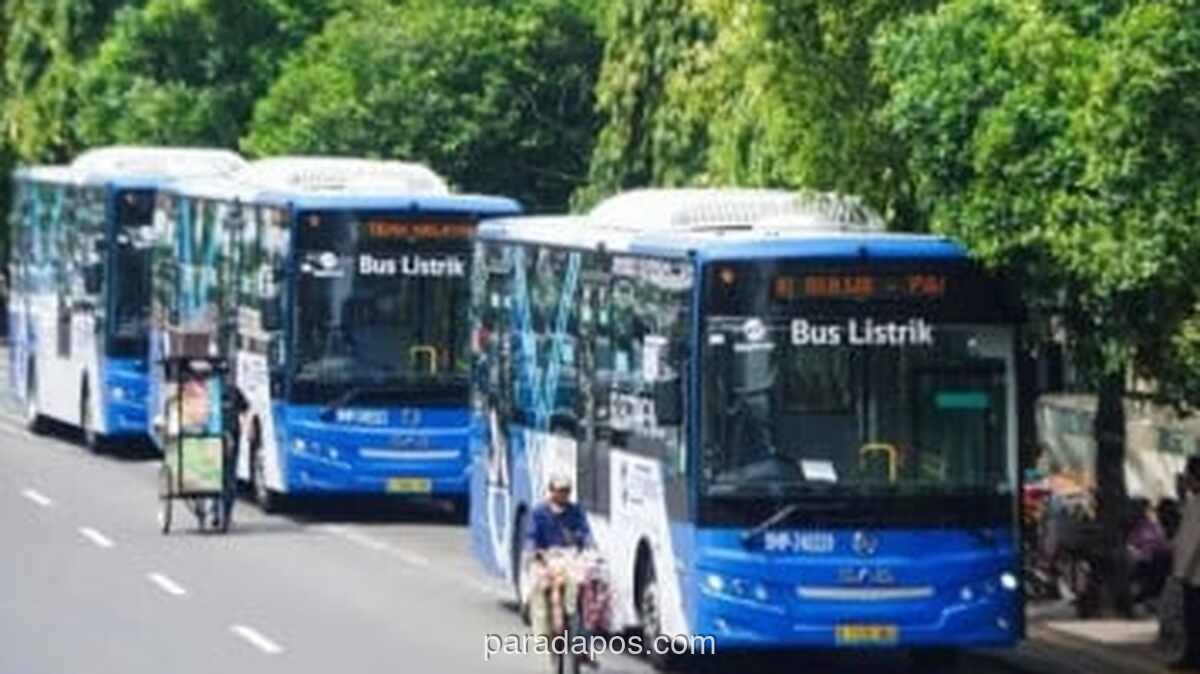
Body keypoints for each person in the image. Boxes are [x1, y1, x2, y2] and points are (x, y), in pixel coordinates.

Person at [526, 475, 598, 667]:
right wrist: (535, 553)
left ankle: (583, 641)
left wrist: (590, 550)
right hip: (547, 559)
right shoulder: (539, 513)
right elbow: (531, 537)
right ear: (551, 491)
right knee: (539, 589)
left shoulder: (576, 512)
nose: (563, 494)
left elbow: (586, 534)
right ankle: (543, 636)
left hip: (571, 560)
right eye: (559, 490)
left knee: (588, 590)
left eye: (566, 490)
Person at [1169, 455, 1200, 666]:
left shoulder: (1197, 503)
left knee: (1193, 617)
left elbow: (1191, 540)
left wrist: (1181, 572)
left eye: (1188, 473)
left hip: (1194, 573)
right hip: (1193, 572)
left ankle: (1193, 657)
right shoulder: (1193, 501)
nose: (1185, 477)